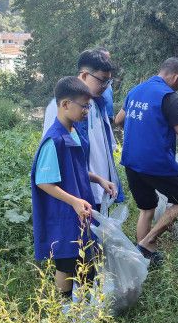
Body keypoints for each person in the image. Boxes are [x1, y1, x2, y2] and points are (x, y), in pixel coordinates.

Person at [115, 58, 178, 263]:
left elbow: (118, 120)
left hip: (132, 161)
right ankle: (146, 242)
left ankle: (142, 259)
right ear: (177, 77)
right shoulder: (169, 97)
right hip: (155, 162)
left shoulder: (135, 91)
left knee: (147, 208)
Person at [32, 76, 117, 297]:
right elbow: (44, 181)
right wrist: (74, 201)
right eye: (84, 106)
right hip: (64, 212)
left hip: (79, 208)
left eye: (88, 106)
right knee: (66, 261)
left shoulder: (74, 132)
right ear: (65, 104)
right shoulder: (54, 140)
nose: (87, 111)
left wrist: (98, 179)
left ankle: (83, 307)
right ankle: (62, 308)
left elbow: (75, 168)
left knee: (86, 256)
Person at [42, 49, 124, 209]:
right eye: (102, 81)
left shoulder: (99, 104)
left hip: (100, 188)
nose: (105, 87)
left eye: (108, 82)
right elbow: (54, 154)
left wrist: (104, 179)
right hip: (77, 193)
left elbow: (107, 146)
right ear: (85, 75)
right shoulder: (60, 106)